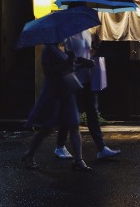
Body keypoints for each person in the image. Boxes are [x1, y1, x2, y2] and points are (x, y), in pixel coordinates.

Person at [21, 43, 92, 172]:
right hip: (54, 93)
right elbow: (50, 71)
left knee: (74, 125)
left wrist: (81, 64)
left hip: (66, 92)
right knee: (46, 128)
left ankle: (78, 160)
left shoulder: (60, 50)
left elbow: (69, 68)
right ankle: (29, 154)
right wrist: (69, 62)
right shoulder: (48, 51)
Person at [53, 29, 121, 160]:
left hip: (88, 79)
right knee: (70, 114)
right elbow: (67, 59)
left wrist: (94, 47)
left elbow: (88, 54)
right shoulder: (69, 36)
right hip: (74, 79)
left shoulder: (87, 33)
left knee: (92, 114)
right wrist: (82, 61)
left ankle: (101, 148)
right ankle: (60, 146)